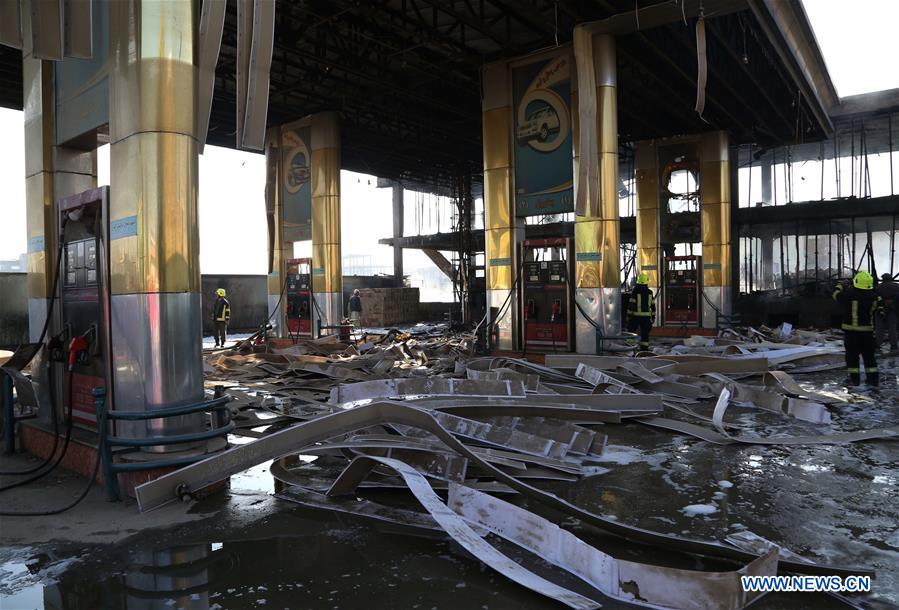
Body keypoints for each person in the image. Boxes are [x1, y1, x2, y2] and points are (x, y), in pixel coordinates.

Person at [832, 271, 883, 386]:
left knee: (852, 356)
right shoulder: (874, 297)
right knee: (869, 357)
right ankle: (873, 380)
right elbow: (880, 303)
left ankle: (854, 379)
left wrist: (840, 286)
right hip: (867, 332)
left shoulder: (849, 294)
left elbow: (835, 295)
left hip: (851, 332)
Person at [627, 273, 656, 352]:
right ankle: (644, 350)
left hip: (635, 316)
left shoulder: (635, 291)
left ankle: (630, 349)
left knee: (631, 332)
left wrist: (628, 315)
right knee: (645, 334)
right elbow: (653, 305)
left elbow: (631, 304)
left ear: (638, 281)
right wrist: (653, 317)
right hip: (646, 317)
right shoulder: (650, 292)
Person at [875, 272, 899, 352]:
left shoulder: (878, 287)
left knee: (879, 329)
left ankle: (877, 345)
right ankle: (894, 346)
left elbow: (874, 298)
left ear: (883, 279)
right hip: (893, 310)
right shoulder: (897, 286)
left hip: (880, 310)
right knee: (892, 329)